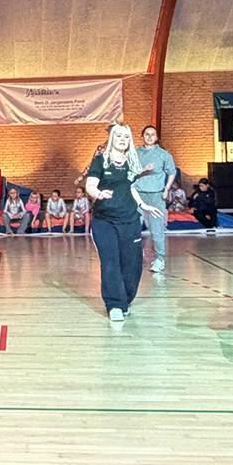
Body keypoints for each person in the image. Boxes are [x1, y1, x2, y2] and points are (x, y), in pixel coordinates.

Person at [85, 123, 165, 322]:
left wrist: (143, 205)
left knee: (133, 265)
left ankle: (125, 300)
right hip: (104, 221)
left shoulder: (132, 161)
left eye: (126, 136)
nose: (122, 139)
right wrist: (98, 194)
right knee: (110, 262)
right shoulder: (100, 161)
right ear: (112, 138)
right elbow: (90, 185)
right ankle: (114, 304)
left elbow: (130, 187)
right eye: (119, 136)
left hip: (129, 220)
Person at [136, 126, 177, 272]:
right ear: (142, 136)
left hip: (156, 195)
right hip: (138, 194)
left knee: (157, 229)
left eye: (152, 134)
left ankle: (159, 259)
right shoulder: (135, 153)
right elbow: (130, 173)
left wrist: (167, 188)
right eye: (147, 134)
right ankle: (136, 254)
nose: (149, 137)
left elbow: (172, 172)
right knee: (134, 227)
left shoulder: (163, 154)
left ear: (156, 137)